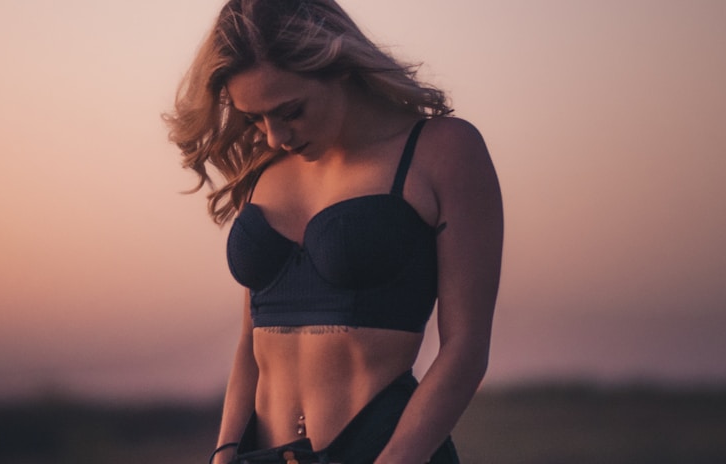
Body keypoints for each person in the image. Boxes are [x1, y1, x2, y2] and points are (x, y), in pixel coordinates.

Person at [165, 1, 503, 462]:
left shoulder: (442, 151)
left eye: (290, 110)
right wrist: (224, 452)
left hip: (385, 452)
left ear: (339, 66)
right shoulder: (265, 170)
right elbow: (251, 344)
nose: (274, 136)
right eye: (255, 119)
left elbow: (466, 348)